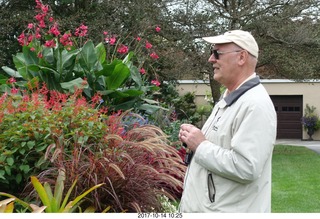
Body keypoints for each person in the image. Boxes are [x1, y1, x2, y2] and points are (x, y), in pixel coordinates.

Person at [178, 30, 277, 213]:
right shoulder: (230, 98)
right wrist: (195, 140)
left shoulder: (255, 105)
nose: (211, 59)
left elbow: (247, 167)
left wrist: (200, 145)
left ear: (241, 57)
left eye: (217, 53)